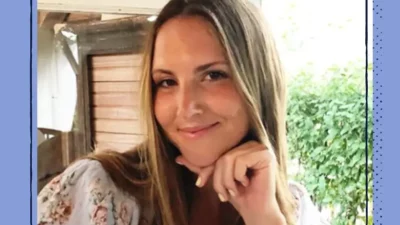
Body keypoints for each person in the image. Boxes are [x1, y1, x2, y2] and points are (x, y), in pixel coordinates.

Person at [37, 0, 330, 224]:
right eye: (167, 82)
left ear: (259, 83)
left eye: (213, 75)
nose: (186, 107)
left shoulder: (293, 208)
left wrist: (264, 218)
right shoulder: (94, 191)